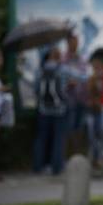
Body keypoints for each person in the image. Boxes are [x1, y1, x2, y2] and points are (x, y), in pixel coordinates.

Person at [33, 47, 68, 175]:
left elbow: (36, 89)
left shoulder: (40, 70)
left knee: (41, 138)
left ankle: (38, 166)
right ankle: (56, 167)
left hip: (43, 109)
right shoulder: (62, 70)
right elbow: (81, 77)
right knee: (58, 138)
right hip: (59, 109)